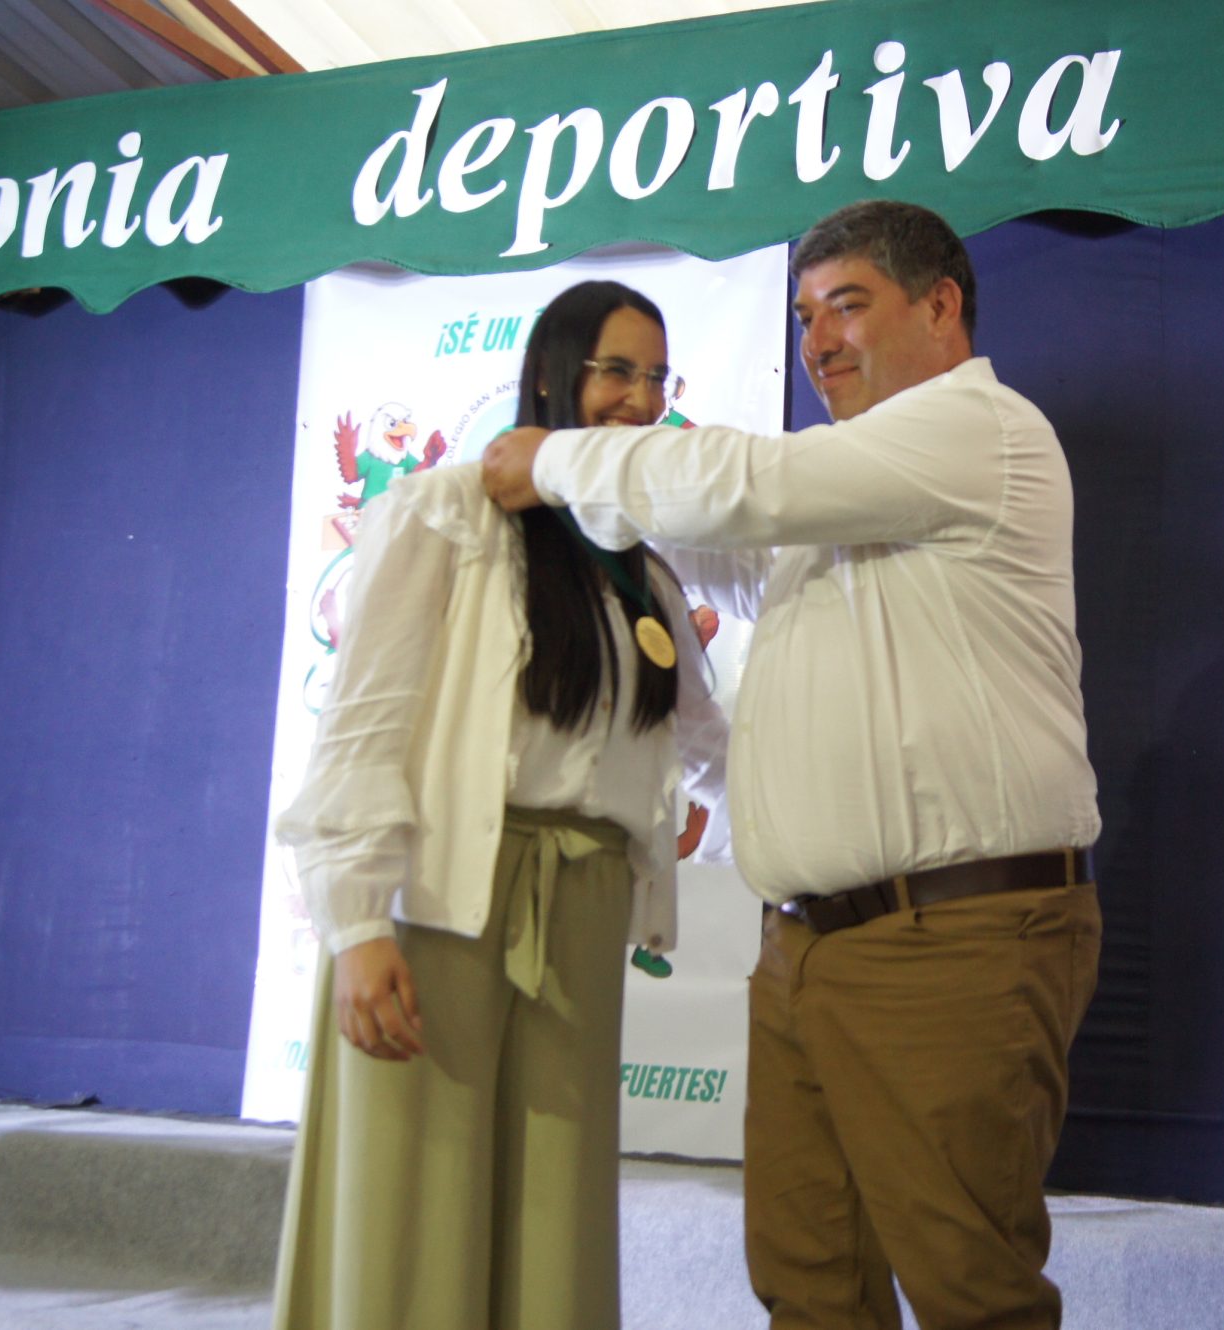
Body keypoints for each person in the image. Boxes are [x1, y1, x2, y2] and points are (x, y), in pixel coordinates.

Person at [482, 200, 1101, 1330]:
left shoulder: (978, 429)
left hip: (949, 937)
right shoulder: (849, 493)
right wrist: (598, 469)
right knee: (808, 1285)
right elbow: (709, 534)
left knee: (971, 1292)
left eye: (847, 306)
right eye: (805, 316)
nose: (817, 341)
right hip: (809, 947)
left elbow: (745, 488)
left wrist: (557, 456)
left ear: (941, 306)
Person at [270, 280, 726, 1330]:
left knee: (553, 1217)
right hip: (443, 902)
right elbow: (365, 723)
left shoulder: (643, 575)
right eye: (617, 370)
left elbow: (706, 748)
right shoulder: (445, 512)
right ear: (551, 376)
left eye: (657, 377)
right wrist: (355, 923)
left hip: (583, 907)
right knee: (411, 1209)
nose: (640, 398)